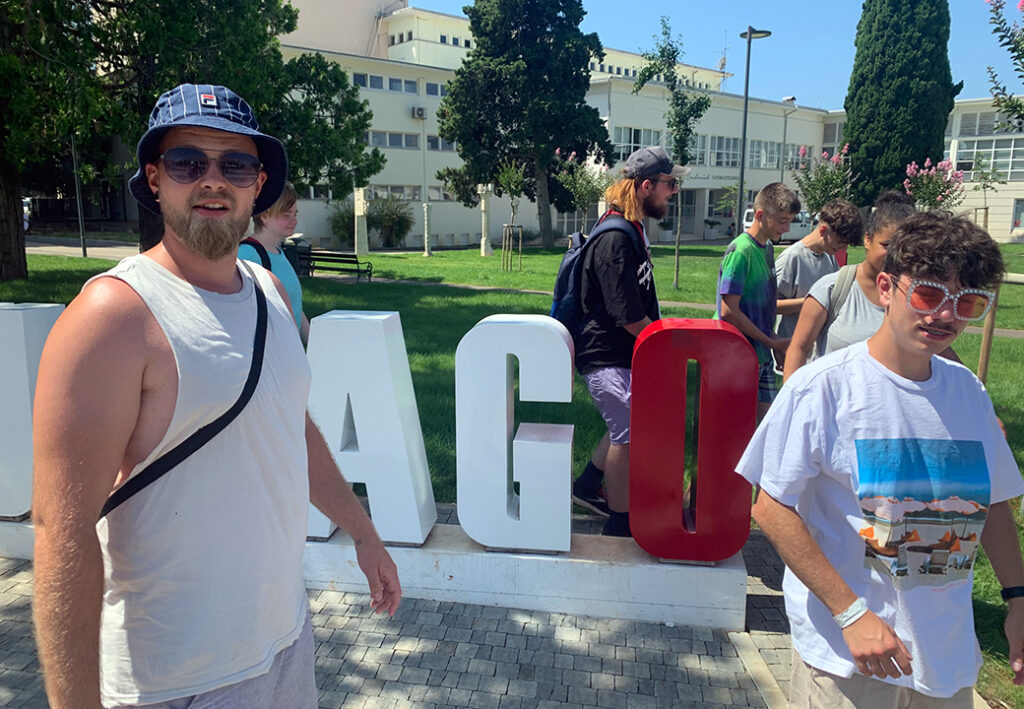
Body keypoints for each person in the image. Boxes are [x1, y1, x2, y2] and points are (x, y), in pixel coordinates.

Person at [31, 84, 401, 708]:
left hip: (284, 646)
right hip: (171, 681)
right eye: (187, 162)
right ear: (153, 179)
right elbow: (60, 534)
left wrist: (363, 532)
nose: (212, 180)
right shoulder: (114, 317)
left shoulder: (271, 294)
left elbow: (286, 427)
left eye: (234, 164)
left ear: (257, 184)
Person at [737, 211, 1024, 707]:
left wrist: (1017, 599)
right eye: (929, 295)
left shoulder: (969, 393)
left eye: (968, 303)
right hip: (849, 662)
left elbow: (994, 503)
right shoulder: (822, 388)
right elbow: (770, 507)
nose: (944, 316)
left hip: (945, 662)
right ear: (887, 287)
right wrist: (849, 614)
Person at [570, 145, 683, 537]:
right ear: (647, 185)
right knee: (629, 434)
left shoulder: (628, 230)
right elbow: (627, 315)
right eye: (671, 183)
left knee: (626, 423)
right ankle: (620, 525)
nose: (674, 191)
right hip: (605, 354)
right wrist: (667, 342)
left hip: (621, 354)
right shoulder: (615, 239)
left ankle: (586, 485)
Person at [783, 191, 914, 382]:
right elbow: (799, 348)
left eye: (904, 248)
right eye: (887, 245)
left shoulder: (916, 297)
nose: (895, 255)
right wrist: (792, 403)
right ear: (868, 240)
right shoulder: (832, 288)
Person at [715, 182, 799, 420]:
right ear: (760, 215)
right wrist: (771, 342)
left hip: (760, 353)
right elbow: (729, 311)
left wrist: (773, 344)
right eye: (782, 220)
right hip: (736, 353)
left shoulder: (768, 248)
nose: (787, 227)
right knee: (736, 426)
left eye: (790, 221)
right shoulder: (741, 252)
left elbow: (766, 306)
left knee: (766, 426)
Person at [773, 198, 863, 370]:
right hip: (797, 353)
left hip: (821, 356)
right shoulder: (792, 258)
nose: (843, 249)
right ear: (823, 230)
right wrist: (813, 303)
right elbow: (771, 306)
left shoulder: (829, 257)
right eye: (840, 242)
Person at [239, 181, 310, 344]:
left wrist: (313, 342)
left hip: (288, 354)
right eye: (286, 215)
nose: (294, 220)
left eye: (295, 214)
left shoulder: (279, 252)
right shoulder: (248, 255)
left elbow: (295, 306)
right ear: (264, 215)